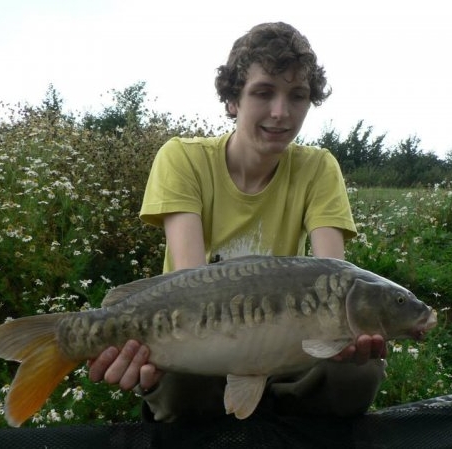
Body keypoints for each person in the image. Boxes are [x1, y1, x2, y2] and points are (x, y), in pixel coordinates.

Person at [88, 21, 387, 422]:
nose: (281, 113)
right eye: (263, 93)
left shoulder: (319, 168)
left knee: (358, 363)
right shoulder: (182, 158)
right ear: (232, 100)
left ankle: (287, 424)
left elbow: (334, 278)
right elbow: (192, 286)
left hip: (286, 350)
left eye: (297, 96)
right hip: (195, 336)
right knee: (179, 382)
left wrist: (353, 330)